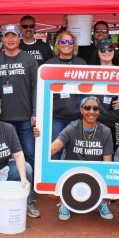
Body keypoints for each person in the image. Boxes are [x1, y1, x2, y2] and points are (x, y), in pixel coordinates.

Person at [43, 96, 114, 220]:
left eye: (95, 108)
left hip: (95, 175)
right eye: (87, 108)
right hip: (73, 173)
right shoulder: (73, 127)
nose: (91, 111)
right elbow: (54, 148)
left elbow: (107, 163)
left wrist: (108, 186)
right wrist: (40, 142)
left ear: (99, 111)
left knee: (112, 194)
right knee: (52, 195)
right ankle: (66, 201)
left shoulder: (106, 131)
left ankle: (101, 201)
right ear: (81, 110)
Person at [0, 24, 38, 200]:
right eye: (7, 36)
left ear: (19, 38)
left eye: (14, 36)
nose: (10, 39)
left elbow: (36, 87)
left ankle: (29, 188)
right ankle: (7, 186)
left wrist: (35, 112)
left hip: (25, 117)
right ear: (2, 39)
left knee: (28, 153)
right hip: (3, 118)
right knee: (4, 155)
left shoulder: (29, 60)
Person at [45, 31, 87, 159]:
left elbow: (87, 90)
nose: (66, 44)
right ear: (58, 44)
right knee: (54, 151)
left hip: (76, 117)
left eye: (70, 42)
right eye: (63, 41)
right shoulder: (49, 64)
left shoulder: (82, 64)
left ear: (74, 45)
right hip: (55, 117)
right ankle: (53, 178)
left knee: (76, 152)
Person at [94, 39, 119, 152]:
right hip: (96, 121)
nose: (107, 52)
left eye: (110, 49)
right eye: (102, 49)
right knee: (97, 153)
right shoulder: (91, 71)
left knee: (113, 152)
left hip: (117, 122)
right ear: (97, 52)